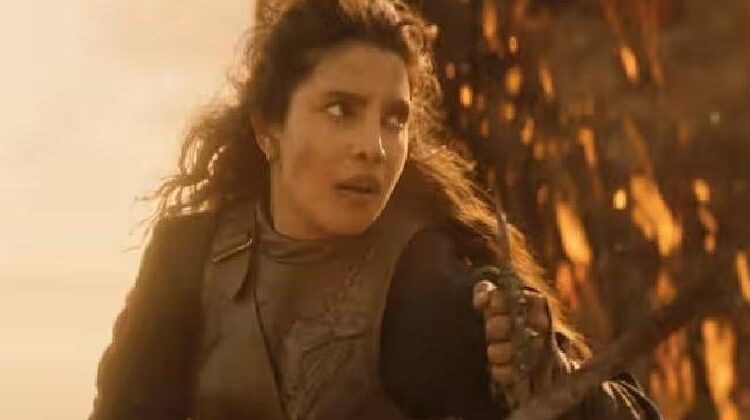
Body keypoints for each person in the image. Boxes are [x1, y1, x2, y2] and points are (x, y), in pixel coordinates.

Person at [89, 1, 662, 419]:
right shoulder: (188, 257)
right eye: (341, 109)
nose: (375, 147)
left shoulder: (428, 285)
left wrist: (549, 374)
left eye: (394, 119)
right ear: (268, 128)